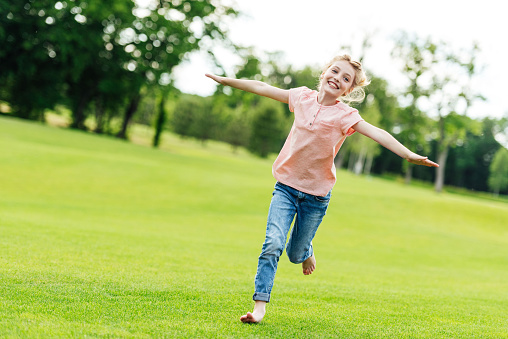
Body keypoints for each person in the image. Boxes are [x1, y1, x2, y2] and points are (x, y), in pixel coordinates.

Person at [205, 54, 439, 324]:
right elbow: (262, 87)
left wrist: (408, 155)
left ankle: (305, 250)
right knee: (272, 244)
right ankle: (259, 307)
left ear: (350, 90)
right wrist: (224, 80)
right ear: (325, 72)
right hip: (286, 188)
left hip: (316, 197)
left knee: (294, 254)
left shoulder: (345, 115)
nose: (338, 79)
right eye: (335, 71)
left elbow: (378, 133)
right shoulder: (301, 97)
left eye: (346, 79)